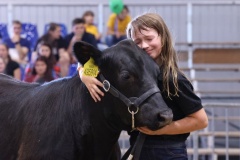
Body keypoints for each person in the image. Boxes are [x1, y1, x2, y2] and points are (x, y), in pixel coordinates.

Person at [78, 13, 208, 159]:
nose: (144, 45)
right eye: (137, 41)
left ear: (163, 39)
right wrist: (84, 73)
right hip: (138, 149)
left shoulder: (173, 78)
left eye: (149, 39)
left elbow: (201, 120)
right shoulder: (135, 76)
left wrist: (160, 130)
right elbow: (97, 59)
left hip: (168, 152)